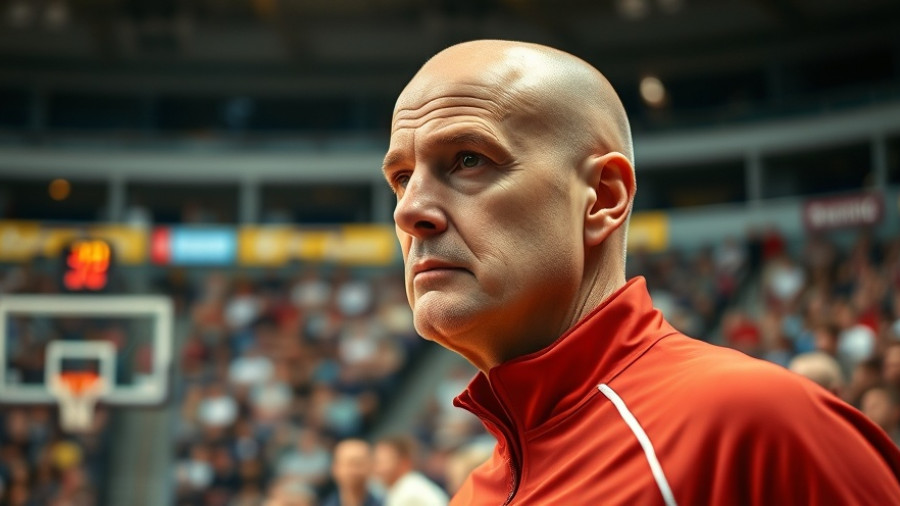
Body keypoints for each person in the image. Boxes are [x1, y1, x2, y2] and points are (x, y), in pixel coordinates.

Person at [382, 39, 900, 504]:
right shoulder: (473, 494)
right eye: (402, 178)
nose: (409, 211)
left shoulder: (755, 426)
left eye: (468, 160)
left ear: (603, 197)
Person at [372, 436, 448, 506]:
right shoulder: (404, 488)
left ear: (404, 462)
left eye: (381, 462)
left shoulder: (409, 493)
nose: (376, 468)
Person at [322, 439, 382, 506]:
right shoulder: (326, 503)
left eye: (358, 464)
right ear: (335, 468)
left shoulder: (387, 502)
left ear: (371, 467)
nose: (352, 471)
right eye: (346, 464)